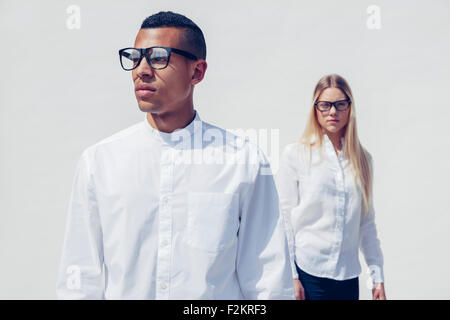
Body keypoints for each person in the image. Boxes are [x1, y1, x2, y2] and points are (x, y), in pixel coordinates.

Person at [56, 11, 294, 300]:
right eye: (135, 57)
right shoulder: (100, 163)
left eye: (158, 57)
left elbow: (267, 281)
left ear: (197, 72)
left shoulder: (243, 162)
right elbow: (80, 278)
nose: (141, 70)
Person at [276, 74, 386, 300]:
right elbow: (284, 219)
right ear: (315, 109)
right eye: (325, 105)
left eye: (340, 104)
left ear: (349, 108)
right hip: (309, 274)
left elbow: (366, 224)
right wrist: (292, 276)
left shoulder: (363, 160)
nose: (333, 112)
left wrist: (377, 277)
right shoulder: (297, 155)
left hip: (348, 278)